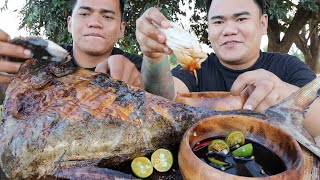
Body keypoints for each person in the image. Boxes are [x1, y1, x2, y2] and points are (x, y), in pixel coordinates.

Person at [136, 0, 320, 138]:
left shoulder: (288, 67)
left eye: (241, 19)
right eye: (218, 22)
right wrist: (153, 56)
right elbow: (162, 99)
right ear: (208, 28)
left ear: (263, 24)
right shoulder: (196, 68)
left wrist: (283, 93)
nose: (229, 30)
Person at [0, 0, 142, 87]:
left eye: (107, 16)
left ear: (121, 28)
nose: (94, 23)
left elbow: (161, 94)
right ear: (69, 23)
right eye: (84, 14)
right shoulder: (36, 61)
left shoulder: (140, 67)